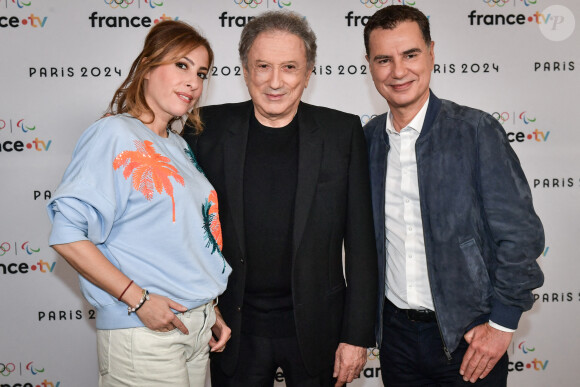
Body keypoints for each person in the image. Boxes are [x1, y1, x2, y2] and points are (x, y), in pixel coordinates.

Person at [184, 11, 378, 387]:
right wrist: (205, 310)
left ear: (308, 74)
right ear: (244, 70)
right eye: (263, 66)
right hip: (232, 329)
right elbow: (187, 233)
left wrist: (356, 335)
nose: (275, 81)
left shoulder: (342, 132)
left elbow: (361, 246)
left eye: (290, 67)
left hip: (318, 328)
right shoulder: (205, 129)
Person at [362, 5, 545, 386]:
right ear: (369, 65)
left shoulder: (476, 131)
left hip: (470, 338)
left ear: (431, 52)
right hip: (395, 341)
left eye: (410, 54)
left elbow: (521, 236)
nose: (398, 71)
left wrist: (502, 324)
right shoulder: (365, 142)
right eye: (384, 59)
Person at [46, 20, 232, 386]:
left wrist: (207, 307)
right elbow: (67, 235)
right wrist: (139, 300)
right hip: (145, 334)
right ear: (147, 67)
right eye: (181, 65)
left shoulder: (178, 145)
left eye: (202, 72)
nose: (194, 82)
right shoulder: (113, 133)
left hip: (195, 329)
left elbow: (181, 240)